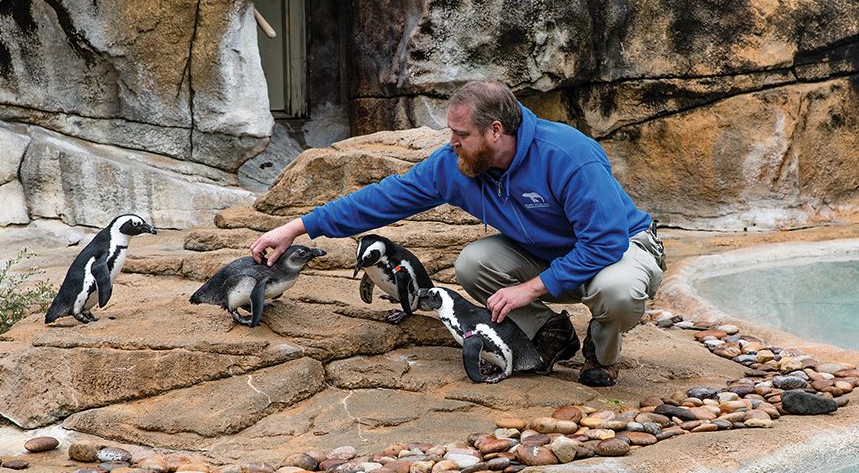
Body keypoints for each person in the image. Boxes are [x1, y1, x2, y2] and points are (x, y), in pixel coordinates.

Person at [250, 80, 665, 387]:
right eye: (451, 132)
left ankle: (601, 350)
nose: (452, 143)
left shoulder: (567, 156)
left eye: (461, 135)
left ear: (496, 131)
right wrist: (298, 226)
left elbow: (605, 242)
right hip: (549, 253)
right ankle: (548, 335)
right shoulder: (457, 163)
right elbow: (383, 199)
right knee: (473, 263)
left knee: (618, 291)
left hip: (620, 249)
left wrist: (532, 288)